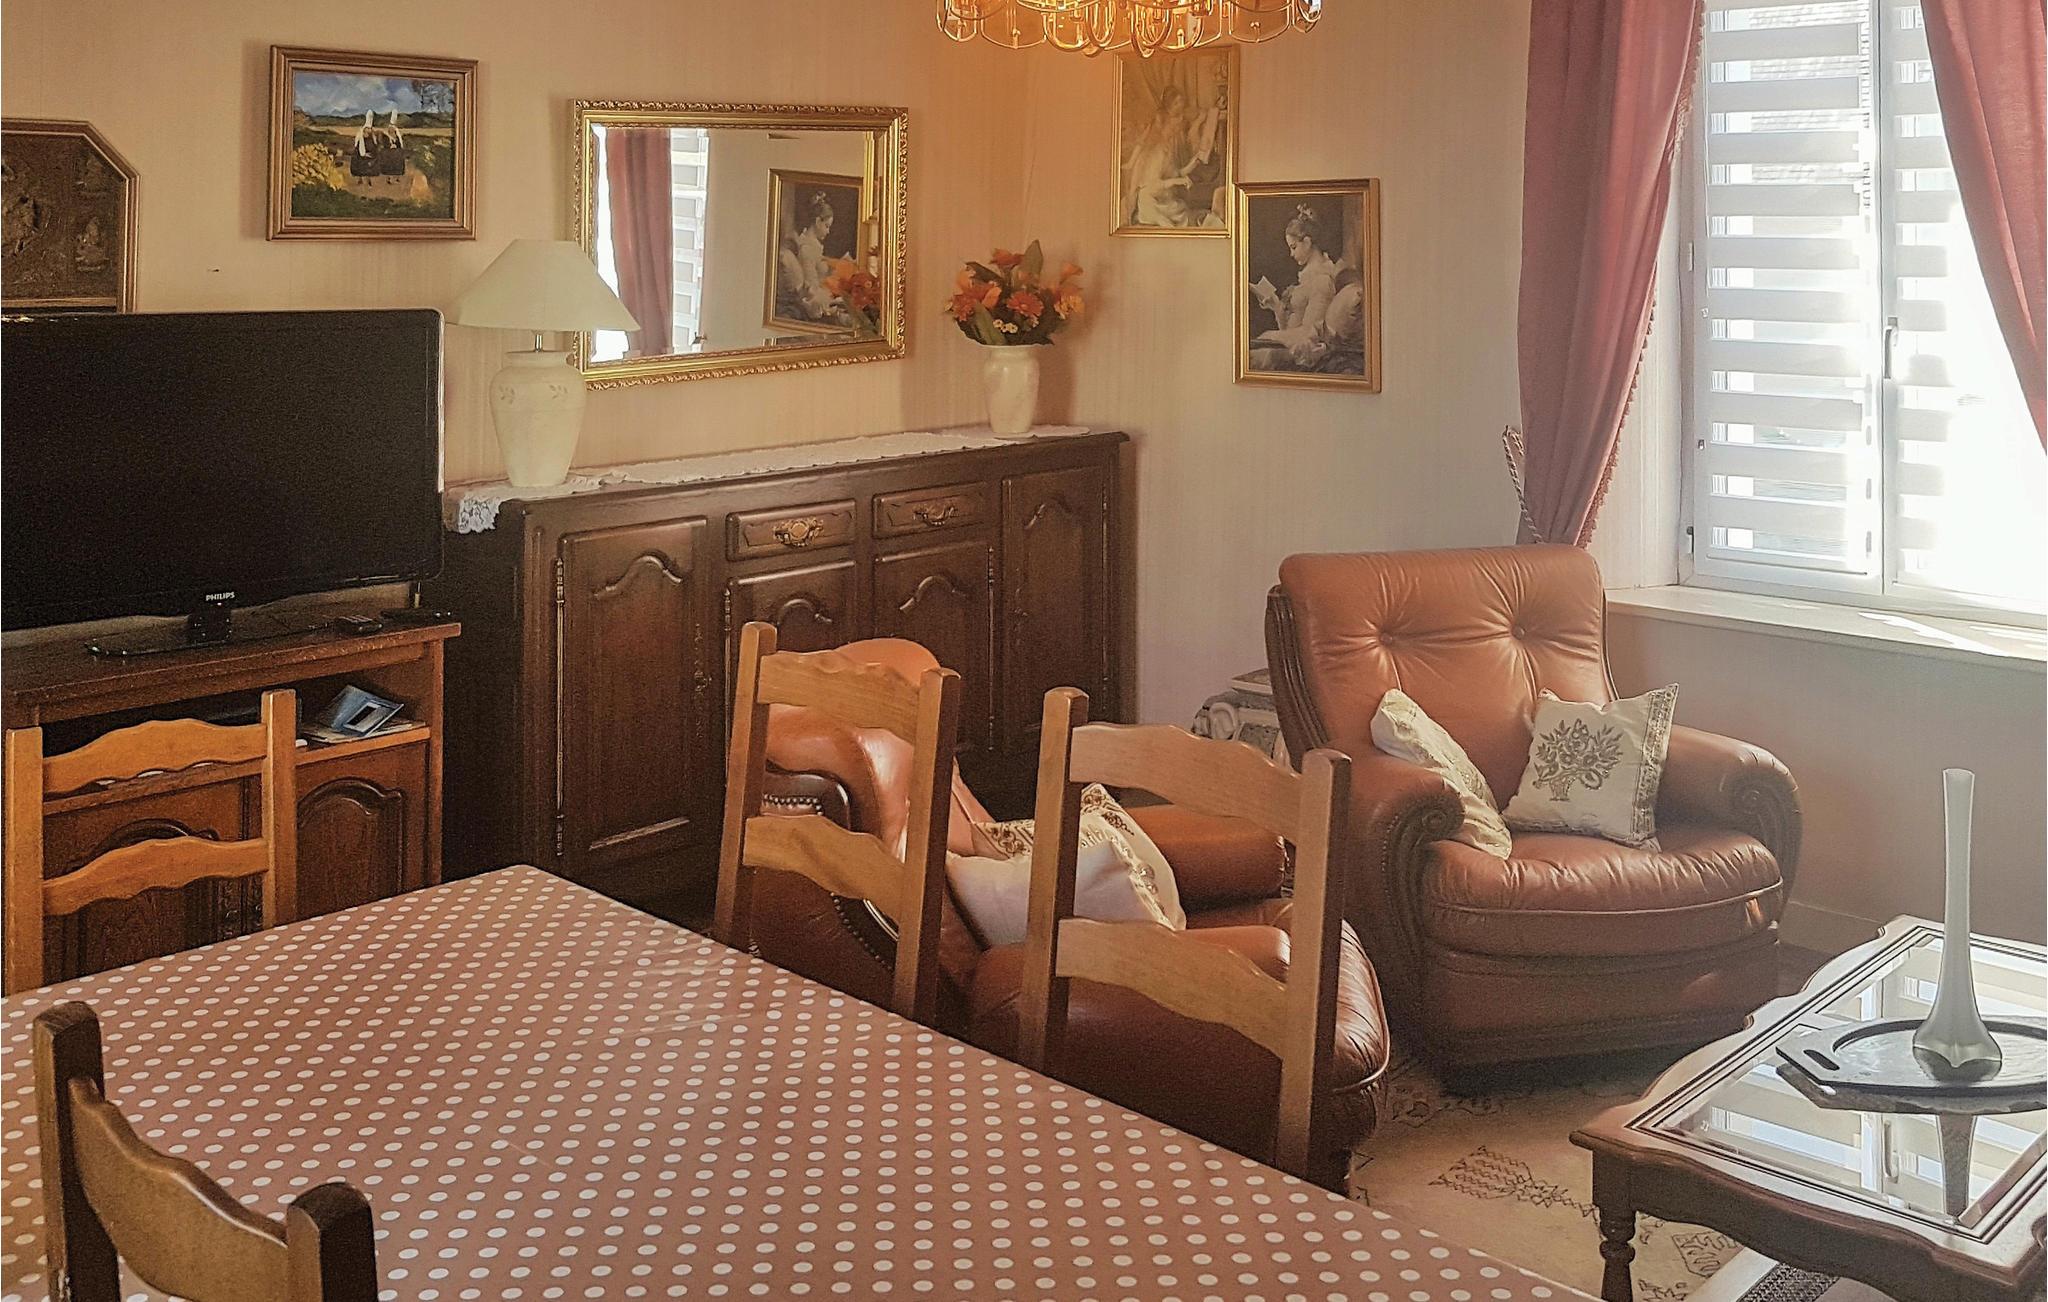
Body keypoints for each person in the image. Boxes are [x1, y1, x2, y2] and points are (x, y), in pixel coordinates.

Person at [1249, 203, 1343, 370]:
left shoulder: (1322, 281)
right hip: (1290, 344)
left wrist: (1271, 336)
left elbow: (1309, 334)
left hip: (1301, 350)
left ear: (1306, 242)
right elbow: (1291, 328)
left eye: (1293, 247)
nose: (1291, 254)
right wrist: (1276, 307)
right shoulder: (1308, 276)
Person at [1122, 85, 1195, 227]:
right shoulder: (1156, 151)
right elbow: (1154, 184)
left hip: (1163, 199)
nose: (1175, 130)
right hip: (1151, 200)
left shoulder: (1167, 150)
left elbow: (1175, 172)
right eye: (1171, 126)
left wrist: (1194, 163)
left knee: (1183, 212)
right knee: (1171, 221)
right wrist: (1177, 181)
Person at [776, 192, 840, 322]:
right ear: (817, 221)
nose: (828, 231)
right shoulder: (807, 249)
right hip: (815, 300)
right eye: (827, 226)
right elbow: (811, 286)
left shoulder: (814, 246)